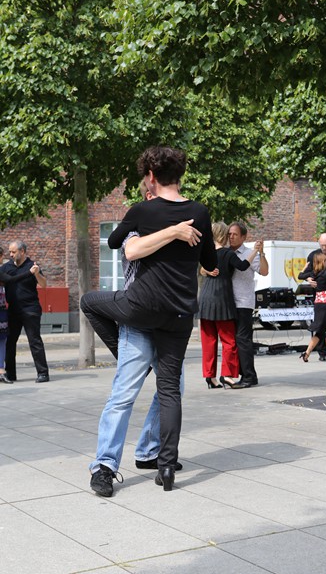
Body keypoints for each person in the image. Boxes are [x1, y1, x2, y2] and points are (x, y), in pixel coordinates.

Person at [81, 146, 217, 491]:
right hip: (177, 315)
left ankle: (120, 463)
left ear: (151, 177)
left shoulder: (142, 210)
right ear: (180, 174)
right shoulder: (199, 213)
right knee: (168, 392)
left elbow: (116, 242)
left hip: (142, 312)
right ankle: (160, 466)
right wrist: (175, 232)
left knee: (126, 395)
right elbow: (209, 262)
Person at [89, 180, 191, 497]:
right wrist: (174, 231)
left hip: (169, 323)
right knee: (123, 395)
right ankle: (104, 466)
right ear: (149, 197)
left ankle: (149, 450)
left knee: (173, 391)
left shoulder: (175, 227)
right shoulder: (136, 227)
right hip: (138, 324)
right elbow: (132, 249)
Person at [198, 222, 261, 389]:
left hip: (205, 300)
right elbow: (243, 266)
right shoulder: (227, 254)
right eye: (228, 234)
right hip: (222, 300)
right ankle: (227, 375)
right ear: (223, 235)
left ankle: (210, 377)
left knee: (208, 341)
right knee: (229, 341)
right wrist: (255, 251)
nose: (230, 237)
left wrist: (205, 270)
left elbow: (201, 269)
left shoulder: (206, 252)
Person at [227, 222, 269, 388]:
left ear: (243, 237)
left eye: (235, 234)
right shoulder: (225, 251)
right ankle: (241, 374)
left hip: (243, 302)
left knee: (243, 339)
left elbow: (264, 271)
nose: (231, 237)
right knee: (233, 341)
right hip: (227, 302)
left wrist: (261, 253)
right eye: (229, 234)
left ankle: (249, 376)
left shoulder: (249, 253)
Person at [2, 241, 50, 383]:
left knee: (34, 341)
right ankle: (10, 374)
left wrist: (37, 274)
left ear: (22, 251)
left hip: (31, 309)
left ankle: (43, 373)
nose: (11, 254)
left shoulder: (32, 266)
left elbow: (44, 285)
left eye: (13, 252)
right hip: (13, 310)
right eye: (10, 252)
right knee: (10, 342)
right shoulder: (6, 267)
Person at [299, 233, 326, 361]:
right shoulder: (314, 255)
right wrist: (308, 279)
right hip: (321, 300)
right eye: (321, 245)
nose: (324, 248)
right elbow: (306, 273)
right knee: (321, 326)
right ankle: (322, 352)